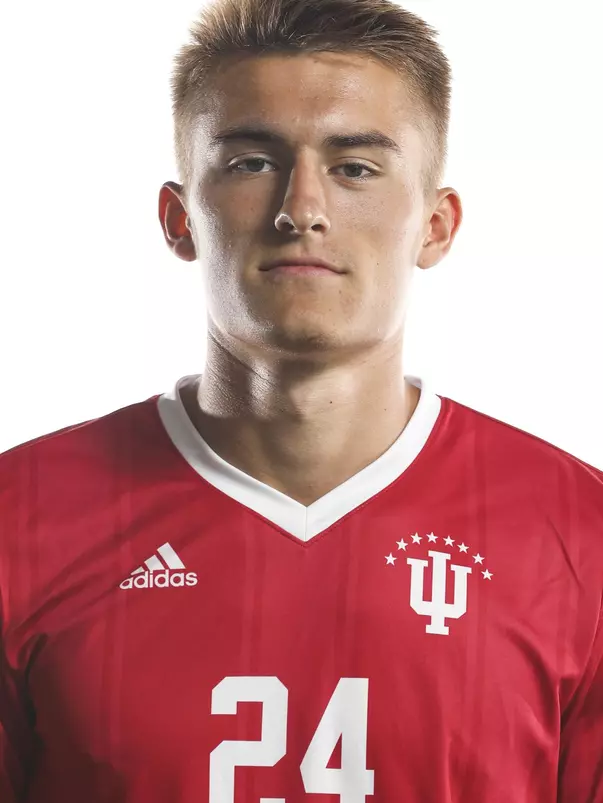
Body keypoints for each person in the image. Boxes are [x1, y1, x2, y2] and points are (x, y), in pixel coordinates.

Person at [1, 0, 602, 799]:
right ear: (180, 220)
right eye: (252, 162)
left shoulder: (576, 536)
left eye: (354, 166)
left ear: (434, 225)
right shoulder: (20, 519)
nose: (301, 209)